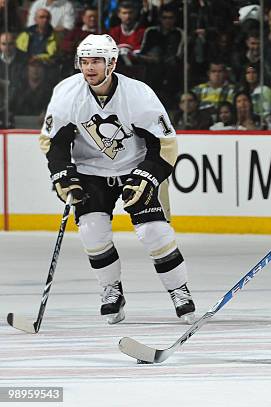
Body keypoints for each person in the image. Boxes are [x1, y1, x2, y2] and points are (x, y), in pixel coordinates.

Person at [39, 34, 197, 325]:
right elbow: (54, 142)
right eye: (84, 61)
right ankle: (111, 291)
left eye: (96, 61)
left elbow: (165, 144)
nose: (89, 67)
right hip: (91, 170)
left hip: (134, 168)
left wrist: (147, 176)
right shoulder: (67, 93)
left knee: (154, 232)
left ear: (112, 63)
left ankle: (179, 290)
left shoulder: (138, 95)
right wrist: (62, 174)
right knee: (91, 231)